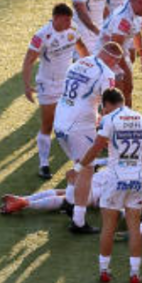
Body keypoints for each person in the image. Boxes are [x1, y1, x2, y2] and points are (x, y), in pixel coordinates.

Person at [76, 88, 142, 283]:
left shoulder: (109, 120)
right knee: (134, 228)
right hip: (135, 178)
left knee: (108, 228)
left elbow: (97, 146)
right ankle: (135, 273)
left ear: (107, 104)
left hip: (115, 178)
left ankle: (104, 270)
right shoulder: (141, 118)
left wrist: (80, 166)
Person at [53, 42, 122, 233]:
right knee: (87, 170)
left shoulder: (80, 62)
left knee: (79, 163)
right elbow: (109, 105)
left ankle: (68, 201)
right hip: (80, 124)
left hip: (60, 119)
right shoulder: (106, 73)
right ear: (113, 58)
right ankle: (79, 221)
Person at [21, 3, 88, 179]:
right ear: (56, 18)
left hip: (67, 84)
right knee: (48, 125)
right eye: (66, 20)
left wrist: (89, 69)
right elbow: (28, 60)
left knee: (71, 123)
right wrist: (27, 86)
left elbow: (82, 50)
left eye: (70, 20)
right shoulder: (42, 35)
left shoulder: (72, 31)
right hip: (47, 85)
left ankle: (79, 161)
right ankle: (44, 164)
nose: (69, 24)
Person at [100, 0, 142, 106]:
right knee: (118, 93)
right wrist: (126, 71)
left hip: (119, 51)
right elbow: (114, 48)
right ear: (132, 1)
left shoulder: (136, 11)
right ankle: (116, 121)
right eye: (140, 2)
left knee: (127, 90)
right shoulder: (123, 18)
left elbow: (137, 34)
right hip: (108, 56)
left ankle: (126, 119)